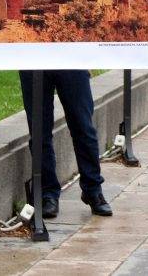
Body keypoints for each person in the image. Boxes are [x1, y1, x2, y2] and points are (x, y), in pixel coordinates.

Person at [20, 70, 113, 218]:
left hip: (71, 57)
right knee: (39, 133)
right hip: (33, 57)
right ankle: (47, 194)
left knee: (83, 127)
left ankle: (93, 189)